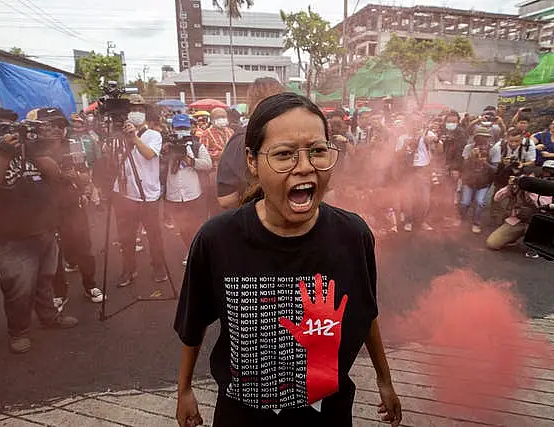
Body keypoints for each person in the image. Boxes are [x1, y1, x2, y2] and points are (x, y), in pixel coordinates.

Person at [174, 93, 402, 427]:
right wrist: (184, 390)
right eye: (284, 155)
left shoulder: (353, 235)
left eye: (318, 151)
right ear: (252, 161)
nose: (306, 166)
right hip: (242, 413)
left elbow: (366, 311)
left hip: (325, 412)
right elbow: (192, 323)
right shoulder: (218, 239)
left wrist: (385, 380)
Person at [0, 107, 78, 354]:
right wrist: (2, 154)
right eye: (6, 128)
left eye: (15, 127)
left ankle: (49, 317)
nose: (13, 133)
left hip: (43, 227)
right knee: (19, 289)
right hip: (7, 237)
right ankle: (18, 332)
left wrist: (33, 149)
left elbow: (54, 175)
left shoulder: (28, 149)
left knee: (46, 280)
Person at [44, 109, 105, 307]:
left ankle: (90, 285)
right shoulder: (34, 150)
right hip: (46, 210)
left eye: (59, 125)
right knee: (53, 254)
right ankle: (59, 292)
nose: (55, 130)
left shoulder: (73, 145)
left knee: (84, 249)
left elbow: (86, 177)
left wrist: (75, 179)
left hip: (73, 207)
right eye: (50, 125)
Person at [112, 94, 168, 286]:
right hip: (124, 193)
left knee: (154, 234)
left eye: (140, 109)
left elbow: (149, 154)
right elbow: (112, 161)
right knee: (126, 237)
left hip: (148, 194)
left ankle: (158, 266)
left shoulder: (154, 135)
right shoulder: (118, 137)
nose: (135, 113)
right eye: (132, 109)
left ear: (145, 113)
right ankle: (128, 269)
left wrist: (134, 138)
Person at [217, 77, 285, 210]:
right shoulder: (299, 136)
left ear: (251, 104)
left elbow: (226, 199)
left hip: (252, 221)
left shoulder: (239, 141)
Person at [164, 114, 212, 266]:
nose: (181, 131)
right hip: (174, 195)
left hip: (193, 193)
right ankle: (190, 250)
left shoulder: (197, 146)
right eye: (178, 128)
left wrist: (188, 159)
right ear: (172, 129)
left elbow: (207, 164)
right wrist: (165, 152)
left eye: (184, 128)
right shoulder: (167, 146)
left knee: (198, 225)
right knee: (183, 227)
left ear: (190, 128)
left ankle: (202, 252)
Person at [486, 168, 552, 252]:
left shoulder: (544, 188)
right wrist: (509, 187)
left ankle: (537, 244)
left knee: (536, 242)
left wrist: (530, 191)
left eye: (530, 180)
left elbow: (544, 207)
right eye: (525, 179)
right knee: (492, 243)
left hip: (535, 223)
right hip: (518, 220)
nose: (526, 182)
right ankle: (512, 238)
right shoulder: (518, 187)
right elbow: (497, 198)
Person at [396, 118, 434, 232]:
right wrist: (405, 146)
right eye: (413, 122)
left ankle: (421, 221)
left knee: (425, 199)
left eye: (418, 123)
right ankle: (408, 221)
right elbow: (397, 155)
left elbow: (436, 145)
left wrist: (430, 140)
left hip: (423, 170)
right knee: (408, 198)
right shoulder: (402, 137)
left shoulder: (427, 135)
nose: (415, 125)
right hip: (408, 171)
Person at [459, 127, 495, 233]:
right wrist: (471, 158)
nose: (482, 140)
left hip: (484, 182)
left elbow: (495, 168)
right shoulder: (468, 148)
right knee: (465, 202)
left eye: (485, 137)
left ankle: (476, 223)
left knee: (479, 202)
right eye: (480, 137)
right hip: (469, 180)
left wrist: (485, 163)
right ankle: (460, 218)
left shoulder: (493, 149)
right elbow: (463, 166)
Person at [199, 108, 234, 217]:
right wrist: (221, 153)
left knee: (230, 203)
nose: (222, 120)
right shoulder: (206, 134)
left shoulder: (231, 131)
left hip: (231, 174)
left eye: (224, 117)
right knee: (215, 204)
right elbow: (203, 154)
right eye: (219, 117)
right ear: (212, 120)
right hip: (214, 174)